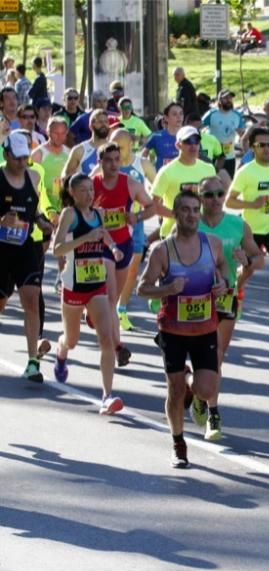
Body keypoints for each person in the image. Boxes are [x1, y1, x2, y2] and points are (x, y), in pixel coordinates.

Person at [137, 191, 229, 465]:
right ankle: (178, 441)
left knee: (207, 390)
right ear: (176, 214)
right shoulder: (162, 250)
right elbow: (143, 289)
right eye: (186, 210)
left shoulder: (211, 243)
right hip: (173, 332)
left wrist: (222, 282)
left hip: (205, 330)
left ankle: (193, 385)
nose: (192, 215)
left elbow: (223, 267)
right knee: (175, 391)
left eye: (195, 210)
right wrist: (167, 288)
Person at [191, 174, 263, 438]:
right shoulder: (190, 224)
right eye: (208, 195)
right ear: (200, 197)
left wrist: (246, 263)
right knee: (200, 356)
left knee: (216, 356)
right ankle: (197, 389)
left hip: (226, 296)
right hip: (193, 298)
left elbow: (257, 258)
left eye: (220, 194)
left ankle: (213, 412)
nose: (215, 200)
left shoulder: (237, 225)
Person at [50, 173, 125, 413]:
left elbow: (104, 235)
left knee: (106, 339)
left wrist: (113, 249)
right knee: (72, 340)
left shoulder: (99, 214)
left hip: (96, 286)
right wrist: (84, 238)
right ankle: (61, 352)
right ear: (73, 193)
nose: (89, 194)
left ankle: (107, 395)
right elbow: (57, 249)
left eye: (91, 190)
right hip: (74, 285)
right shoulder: (69, 215)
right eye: (83, 190)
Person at [92, 141, 156, 366]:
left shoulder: (130, 184)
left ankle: (97, 317)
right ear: (100, 162)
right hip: (99, 248)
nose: (113, 165)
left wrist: (136, 217)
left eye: (116, 160)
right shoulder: (91, 185)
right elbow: (74, 210)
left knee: (113, 299)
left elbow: (152, 206)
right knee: (110, 298)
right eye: (107, 160)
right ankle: (117, 347)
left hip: (123, 244)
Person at [225, 125, 269, 331]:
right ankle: (237, 293)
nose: (267, 149)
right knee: (250, 267)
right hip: (250, 228)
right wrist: (251, 205)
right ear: (252, 147)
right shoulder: (245, 172)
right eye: (262, 145)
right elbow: (229, 202)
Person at [0, 132, 45, 380]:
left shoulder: (34, 176)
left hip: (24, 246)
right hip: (0, 249)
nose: (22, 163)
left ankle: (32, 362)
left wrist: (43, 222)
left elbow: (34, 210)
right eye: (17, 158)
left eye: (25, 158)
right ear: (7, 155)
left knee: (31, 298)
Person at [109, 127, 156, 331]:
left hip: (135, 223)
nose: (115, 150)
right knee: (109, 268)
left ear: (130, 145)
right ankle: (105, 306)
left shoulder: (142, 163)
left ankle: (121, 310)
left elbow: (159, 185)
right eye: (112, 145)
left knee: (132, 269)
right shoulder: (107, 164)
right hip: (111, 225)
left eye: (119, 146)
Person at [150, 126, 217, 222]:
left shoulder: (209, 169)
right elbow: (152, 205)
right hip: (173, 233)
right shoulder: (166, 171)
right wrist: (178, 216)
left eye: (196, 141)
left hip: (201, 231)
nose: (193, 145)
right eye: (188, 141)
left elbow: (214, 199)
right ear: (178, 145)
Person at [201, 89, 245, 178]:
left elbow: (243, 135)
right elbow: (198, 126)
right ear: (219, 100)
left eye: (230, 98)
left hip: (230, 156)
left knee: (228, 184)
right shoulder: (212, 114)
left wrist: (242, 135)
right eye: (225, 98)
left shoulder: (237, 115)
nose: (228, 100)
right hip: (214, 156)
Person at [61, 108, 111, 178]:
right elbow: (65, 177)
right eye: (100, 122)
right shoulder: (79, 150)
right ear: (91, 126)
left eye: (106, 122)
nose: (103, 124)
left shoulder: (115, 149)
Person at [143, 102, 183, 171]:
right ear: (166, 118)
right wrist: (149, 171)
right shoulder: (156, 137)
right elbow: (143, 156)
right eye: (174, 114)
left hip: (184, 179)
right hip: (162, 179)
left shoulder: (190, 136)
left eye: (181, 113)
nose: (179, 117)